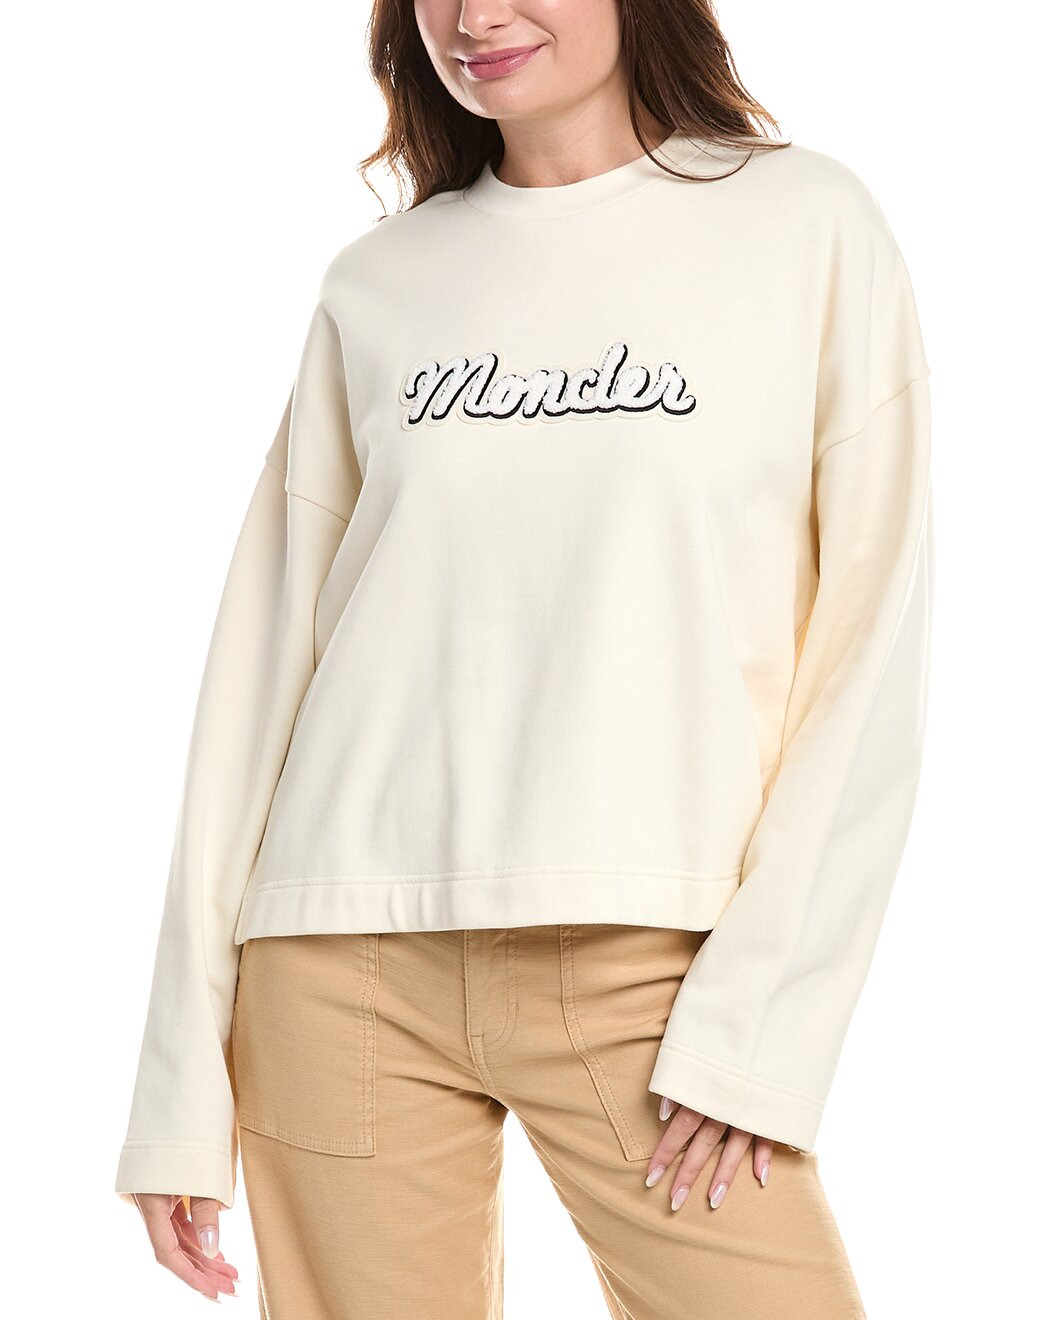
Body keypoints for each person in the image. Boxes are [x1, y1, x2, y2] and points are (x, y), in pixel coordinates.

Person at [115, 0, 933, 1315]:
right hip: (337, 963)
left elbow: (869, 648)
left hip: (651, 968)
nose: (473, 16)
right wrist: (176, 1087)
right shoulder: (379, 284)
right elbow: (258, 673)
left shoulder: (804, 226)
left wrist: (761, 1028)